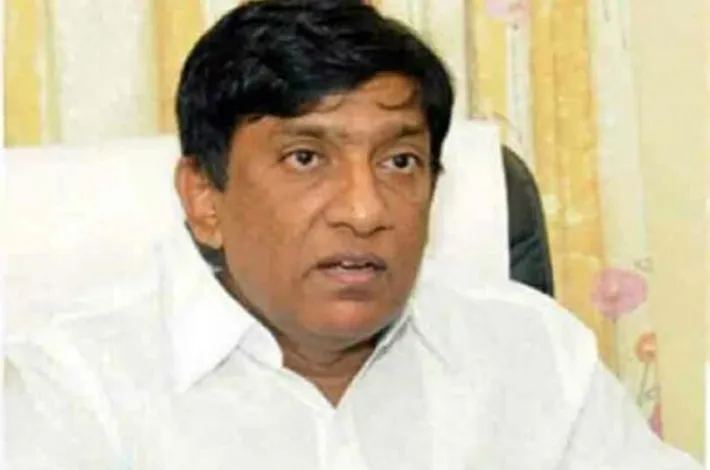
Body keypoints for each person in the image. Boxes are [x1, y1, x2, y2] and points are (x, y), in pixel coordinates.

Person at [4, 0, 701, 468]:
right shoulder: (73, 392)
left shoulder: (533, 355)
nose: (366, 211)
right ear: (204, 196)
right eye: (306, 158)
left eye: (400, 161)